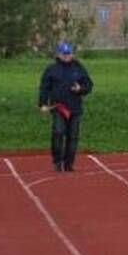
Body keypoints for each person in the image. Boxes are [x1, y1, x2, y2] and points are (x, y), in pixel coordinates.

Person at [37, 41, 93, 172]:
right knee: (58, 132)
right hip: (58, 107)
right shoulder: (51, 69)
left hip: (75, 108)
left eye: (69, 53)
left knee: (73, 137)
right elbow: (44, 87)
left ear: (72, 54)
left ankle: (69, 164)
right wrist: (43, 104)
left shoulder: (79, 68)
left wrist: (80, 89)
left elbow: (89, 85)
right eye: (64, 53)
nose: (67, 56)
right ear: (59, 54)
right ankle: (57, 161)